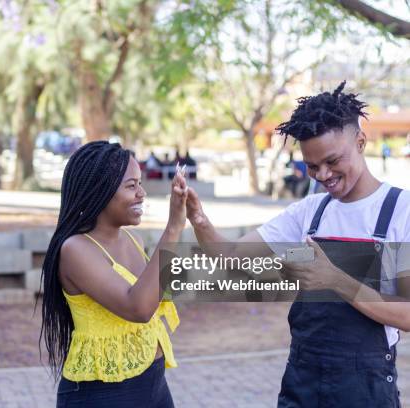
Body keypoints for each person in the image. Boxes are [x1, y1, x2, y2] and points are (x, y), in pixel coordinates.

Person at [185, 82, 409, 407]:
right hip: (302, 383)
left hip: (364, 388)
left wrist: (335, 280)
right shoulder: (309, 212)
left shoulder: (400, 211)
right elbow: (229, 256)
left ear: (361, 142)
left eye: (332, 161)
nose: (323, 175)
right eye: (312, 166)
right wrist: (198, 219)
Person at [40, 141, 187, 408]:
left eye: (140, 183)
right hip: (103, 394)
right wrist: (174, 229)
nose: (142, 193)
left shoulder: (132, 240)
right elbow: (139, 308)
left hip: (153, 383)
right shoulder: (76, 250)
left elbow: (158, 294)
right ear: (100, 192)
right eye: (131, 186)